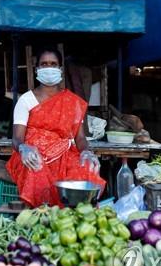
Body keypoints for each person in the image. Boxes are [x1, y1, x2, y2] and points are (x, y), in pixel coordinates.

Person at [6, 47, 106, 207]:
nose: (48, 68)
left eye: (53, 64)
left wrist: (86, 152)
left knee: (85, 169)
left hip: (64, 155)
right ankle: (41, 215)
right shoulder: (25, 100)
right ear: (37, 68)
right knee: (35, 172)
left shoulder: (72, 101)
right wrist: (24, 148)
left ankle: (77, 217)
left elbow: (79, 138)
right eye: (44, 64)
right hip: (32, 155)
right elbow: (17, 138)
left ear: (60, 69)